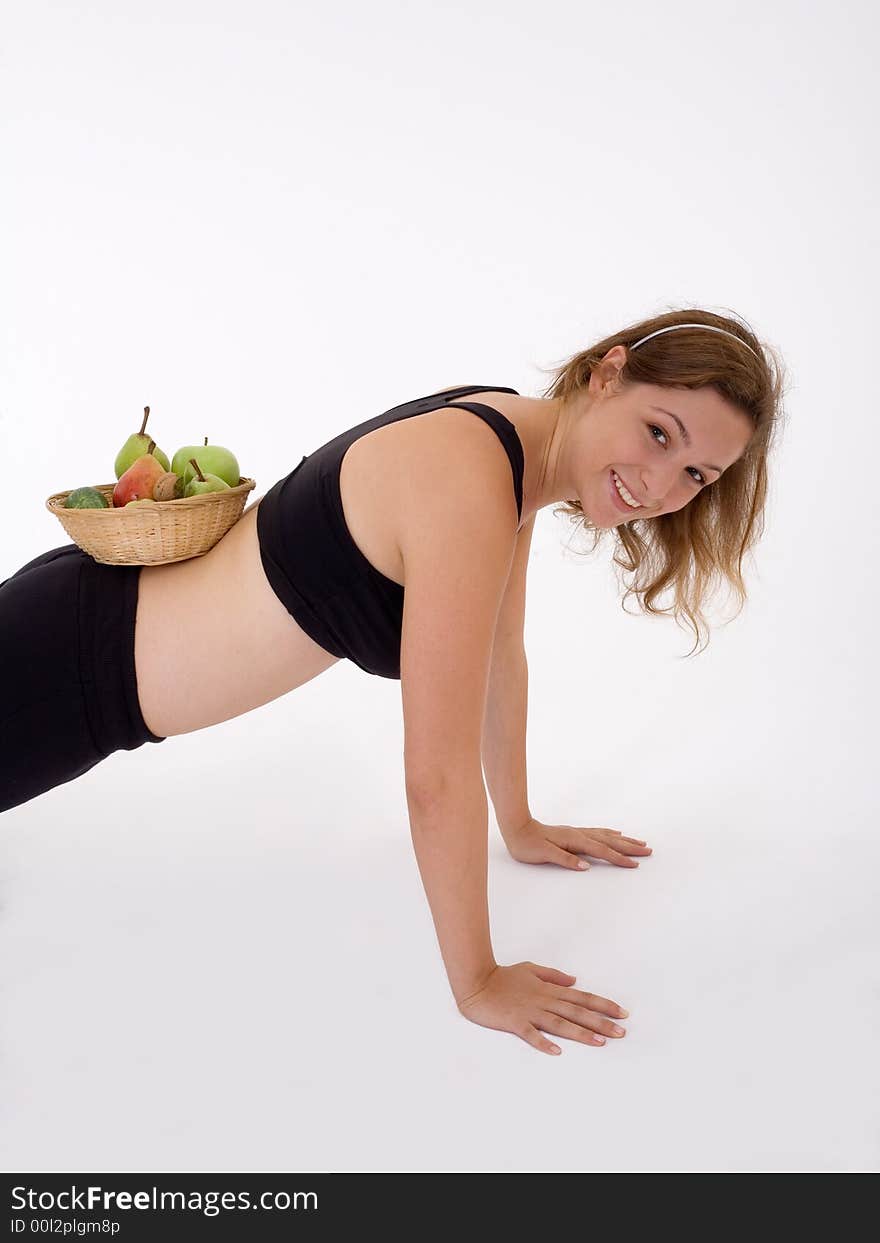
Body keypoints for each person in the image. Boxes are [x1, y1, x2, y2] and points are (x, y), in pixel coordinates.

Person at [0, 308, 786, 1055]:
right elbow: (433, 778)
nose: (659, 484)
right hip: (62, 675)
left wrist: (519, 821)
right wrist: (478, 980)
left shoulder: (509, 444)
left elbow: (498, 655)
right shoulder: (469, 479)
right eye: (658, 433)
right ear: (608, 374)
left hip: (79, 644)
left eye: (695, 472)